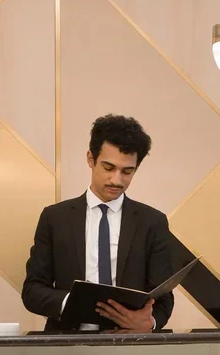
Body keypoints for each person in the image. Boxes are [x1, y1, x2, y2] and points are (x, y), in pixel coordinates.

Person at [22, 115, 175, 332]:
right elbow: (32, 290)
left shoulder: (152, 222)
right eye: (108, 167)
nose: (116, 180)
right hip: (67, 343)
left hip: (130, 344)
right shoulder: (55, 218)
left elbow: (164, 296)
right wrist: (73, 303)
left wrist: (149, 323)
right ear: (91, 159)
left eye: (127, 171)